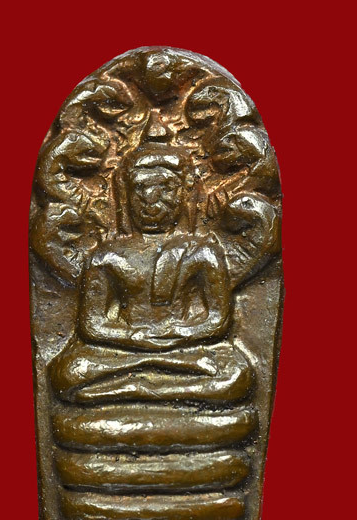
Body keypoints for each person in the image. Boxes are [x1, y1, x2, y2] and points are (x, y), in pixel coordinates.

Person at [50, 145, 253, 404]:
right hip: (124, 351)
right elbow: (92, 324)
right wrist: (137, 338)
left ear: (184, 194)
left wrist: (177, 334)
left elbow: (217, 320)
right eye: (140, 189)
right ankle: (147, 385)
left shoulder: (203, 253)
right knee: (69, 371)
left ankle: (135, 388)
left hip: (183, 349)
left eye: (165, 188)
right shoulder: (107, 256)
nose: (150, 199)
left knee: (236, 374)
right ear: (125, 196)